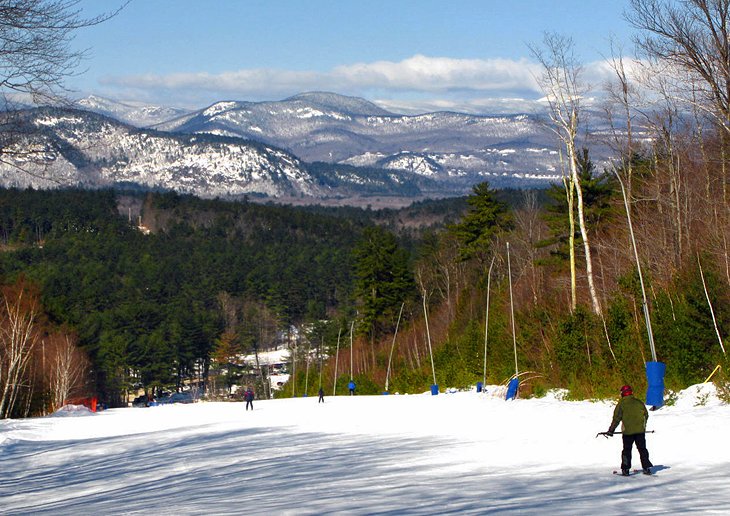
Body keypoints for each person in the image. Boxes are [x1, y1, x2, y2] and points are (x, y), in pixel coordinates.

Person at [606, 384, 653, 475]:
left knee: (627, 450)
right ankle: (646, 467)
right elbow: (646, 415)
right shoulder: (639, 402)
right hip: (640, 431)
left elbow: (616, 418)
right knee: (642, 449)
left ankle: (626, 469)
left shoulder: (622, 404)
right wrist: (642, 426)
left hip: (627, 432)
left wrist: (611, 430)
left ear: (623, 393)